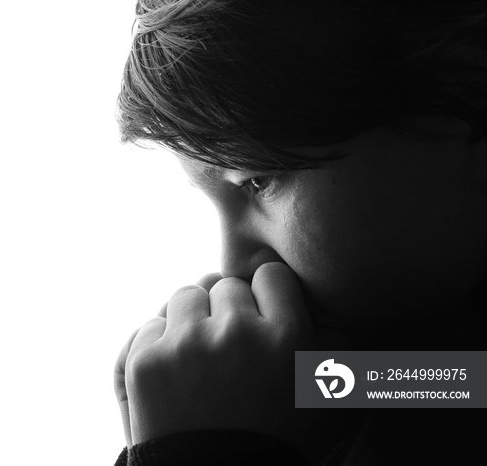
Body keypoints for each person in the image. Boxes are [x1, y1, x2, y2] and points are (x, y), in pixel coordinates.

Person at [112, 0, 487, 465]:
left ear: (467, 110)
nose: (233, 264)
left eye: (258, 181)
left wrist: (206, 451)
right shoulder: (417, 378)